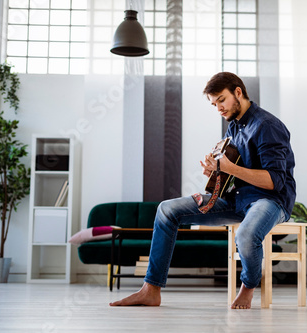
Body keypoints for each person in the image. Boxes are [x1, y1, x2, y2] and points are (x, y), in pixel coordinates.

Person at [110, 72, 296, 309]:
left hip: (270, 200)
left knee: (246, 235)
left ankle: (248, 286)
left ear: (238, 92)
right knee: (167, 210)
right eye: (214, 103)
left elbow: (275, 181)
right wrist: (216, 172)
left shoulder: (267, 126)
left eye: (221, 100)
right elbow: (232, 172)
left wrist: (230, 168)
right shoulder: (234, 128)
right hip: (235, 199)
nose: (218, 107)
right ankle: (151, 289)